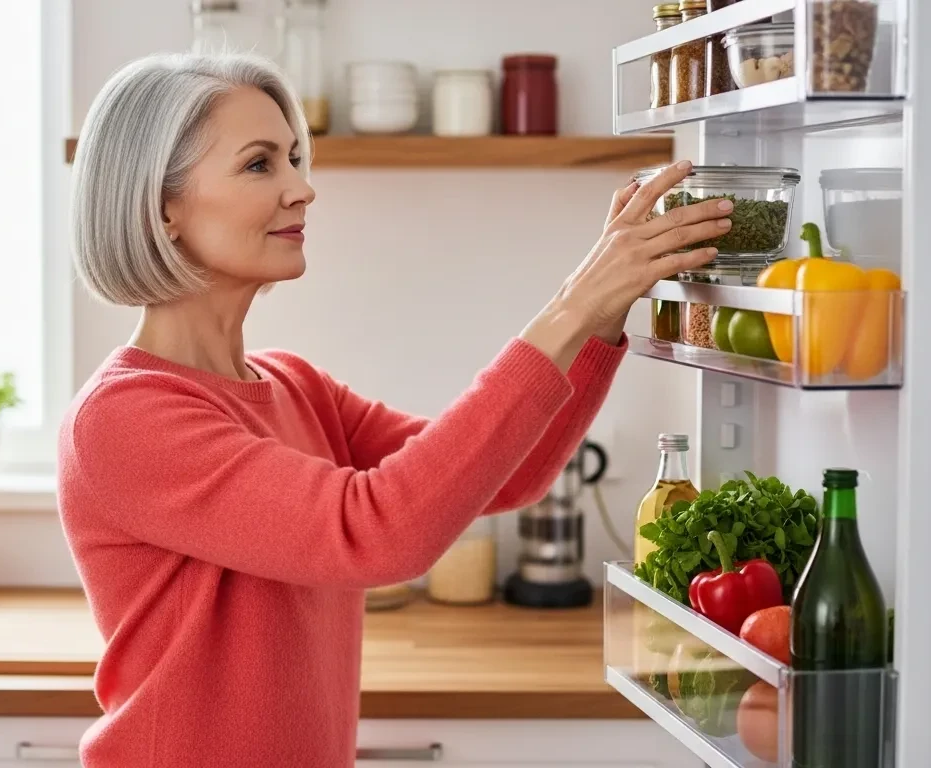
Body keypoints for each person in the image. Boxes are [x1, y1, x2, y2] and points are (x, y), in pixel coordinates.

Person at [58, 51, 732, 767]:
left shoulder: (292, 386)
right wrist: (573, 302)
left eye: (293, 157)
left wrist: (602, 315)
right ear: (162, 207)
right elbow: (378, 534)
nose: (302, 188)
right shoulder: (125, 417)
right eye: (260, 165)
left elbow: (510, 475)